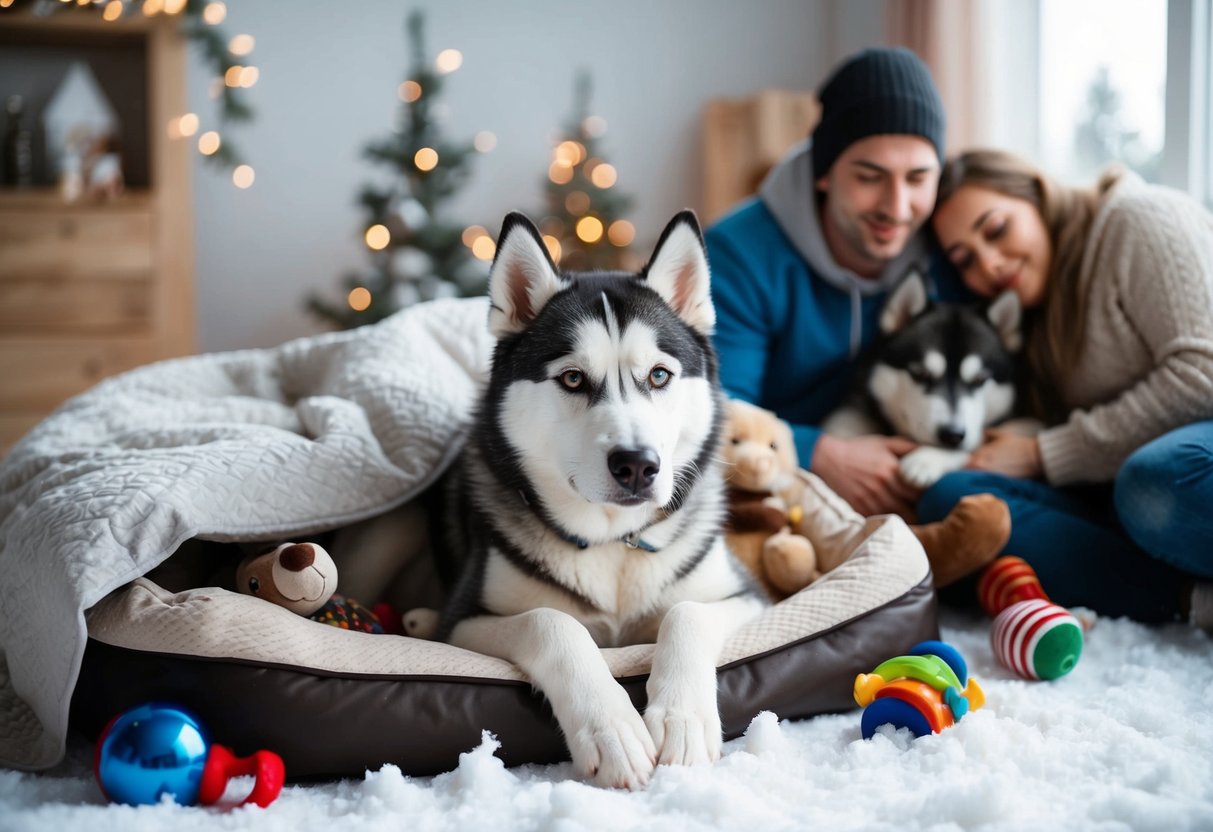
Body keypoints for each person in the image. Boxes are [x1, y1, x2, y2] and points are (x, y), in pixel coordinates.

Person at [924, 148, 1213, 628]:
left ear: (1036, 193)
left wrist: (1044, 452)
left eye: (996, 230)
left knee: (1154, 482)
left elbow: (1203, 374)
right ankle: (1191, 600)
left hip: (1179, 472)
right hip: (1118, 492)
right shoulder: (1031, 315)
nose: (990, 264)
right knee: (956, 501)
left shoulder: (1139, 221)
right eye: (965, 260)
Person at [705, 47, 967, 519]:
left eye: (918, 178)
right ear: (823, 172)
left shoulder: (948, 247)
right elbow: (715, 408)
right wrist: (820, 453)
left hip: (921, 468)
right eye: (870, 177)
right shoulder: (738, 253)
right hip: (772, 481)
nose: (897, 206)